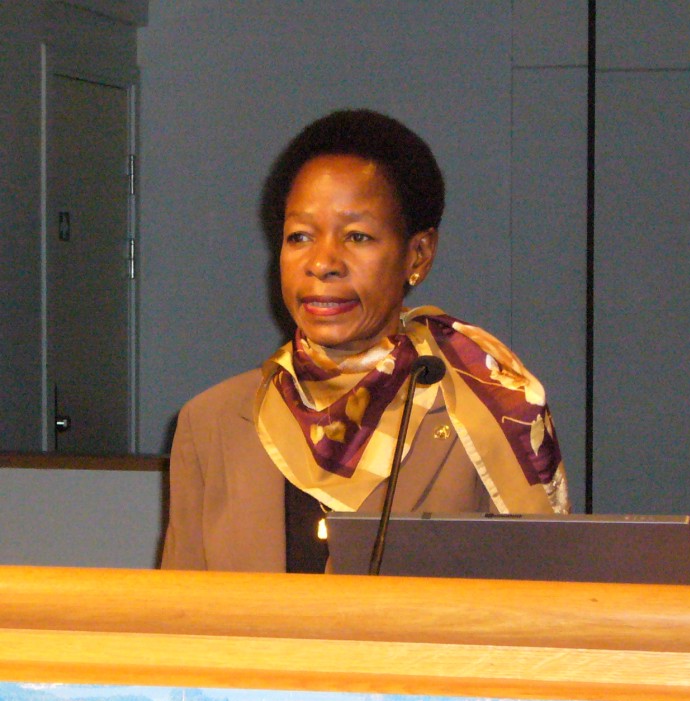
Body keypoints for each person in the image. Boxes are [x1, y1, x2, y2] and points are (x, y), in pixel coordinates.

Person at [161, 109, 569, 572]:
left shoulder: (491, 411)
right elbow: (179, 608)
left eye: (357, 236)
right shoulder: (211, 423)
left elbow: (540, 596)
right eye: (300, 236)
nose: (322, 263)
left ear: (418, 255)